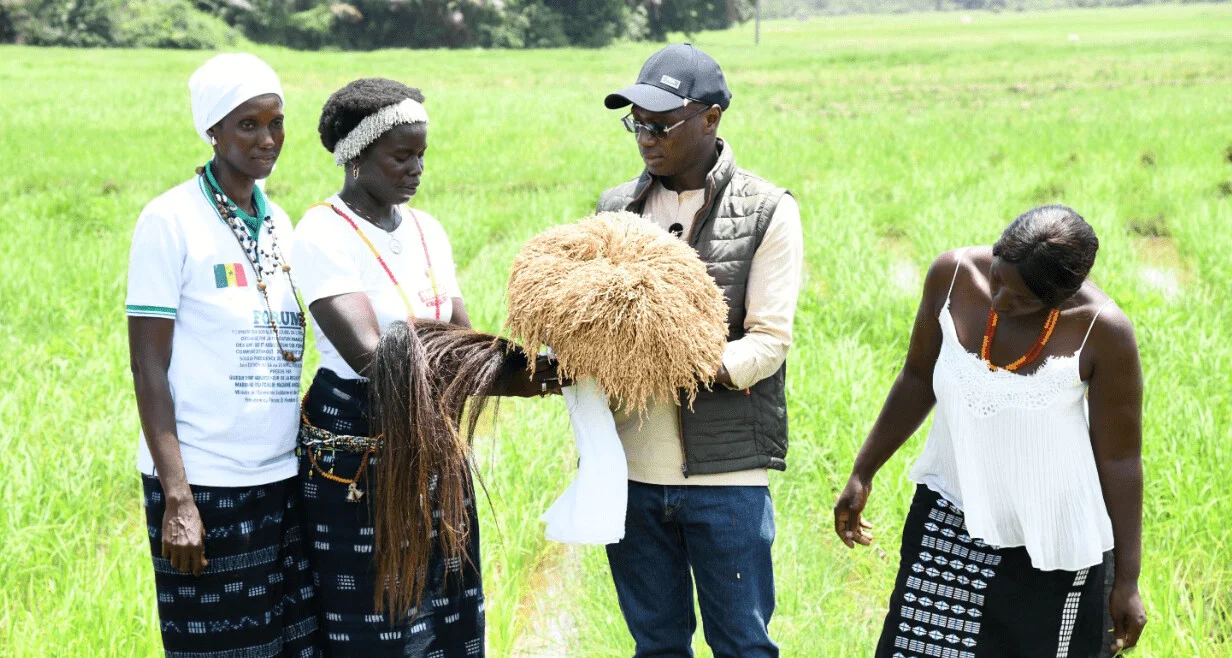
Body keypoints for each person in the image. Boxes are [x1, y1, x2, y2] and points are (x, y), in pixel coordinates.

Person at [291, 77, 555, 656]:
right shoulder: (322, 233)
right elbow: (369, 354)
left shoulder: (428, 231)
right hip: (359, 457)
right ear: (356, 157)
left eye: (422, 155)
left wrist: (543, 372)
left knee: (447, 614)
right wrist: (484, 360)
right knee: (376, 615)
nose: (416, 169)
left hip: (434, 446)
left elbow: (462, 346)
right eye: (401, 155)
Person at [832, 205, 1148, 657]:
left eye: (1021, 300)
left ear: (1060, 298)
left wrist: (1128, 580)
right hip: (951, 518)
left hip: (1053, 544)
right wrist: (863, 472)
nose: (999, 301)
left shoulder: (1102, 331)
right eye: (999, 278)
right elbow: (917, 379)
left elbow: (1120, 460)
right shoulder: (953, 276)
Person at [595, 44, 804, 657]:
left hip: (725, 477)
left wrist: (682, 367)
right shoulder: (617, 209)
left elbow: (769, 341)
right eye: (637, 121)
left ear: (711, 119)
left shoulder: (767, 210)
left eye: (662, 124)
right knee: (656, 644)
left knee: (741, 642)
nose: (646, 137)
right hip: (630, 472)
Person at [126, 53, 317, 657]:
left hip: (281, 479)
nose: (268, 139)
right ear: (212, 129)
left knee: (289, 645)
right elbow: (148, 366)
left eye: (276, 121)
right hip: (204, 486)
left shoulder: (281, 222)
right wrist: (178, 499)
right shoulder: (169, 220)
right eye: (248, 124)